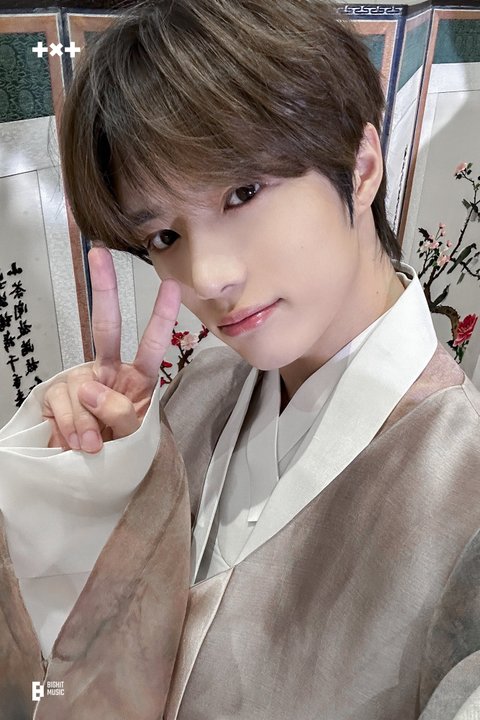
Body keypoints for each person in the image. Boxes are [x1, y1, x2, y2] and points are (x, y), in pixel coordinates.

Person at [0, 0, 479, 718]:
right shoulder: (197, 390)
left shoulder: (464, 488)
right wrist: (96, 478)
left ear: (361, 165)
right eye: (163, 237)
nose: (207, 276)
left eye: (242, 192)